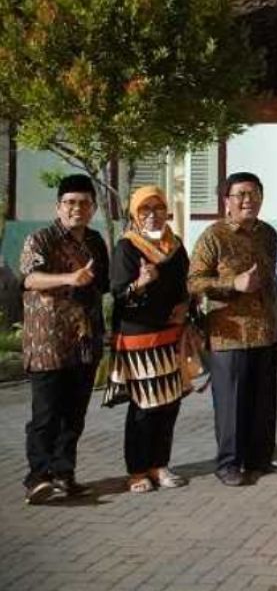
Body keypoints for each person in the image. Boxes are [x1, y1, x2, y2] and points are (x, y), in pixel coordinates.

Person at [188, 172, 277, 487]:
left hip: (266, 332)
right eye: (240, 194)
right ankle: (229, 464)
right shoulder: (213, 236)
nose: (248, 200)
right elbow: (194, 282)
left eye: (254, 193)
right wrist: (234, 284)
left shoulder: (268, 234)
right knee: (232, 405)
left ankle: (259, 459)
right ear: (226, 200)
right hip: (229, 335)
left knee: (263, 403)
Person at [19, 174, 109, 504]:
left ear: (94, 208)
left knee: (74, 415)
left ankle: (64, 474)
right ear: (58, 207)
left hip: (84, 342)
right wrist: (70, 277)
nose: (77, 209)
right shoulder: (40, 239)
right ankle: (37, 478)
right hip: (48, 343)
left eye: (84, 203)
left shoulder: (96, 242)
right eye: (70, 203)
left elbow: (103, 286)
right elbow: (30, 278)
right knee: (46, 415)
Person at [105, 185, 191, 493]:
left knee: (169, 403)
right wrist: (140, 284)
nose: (152, 215)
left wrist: (185, 307)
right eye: (145, 210)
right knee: (144, 407)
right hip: (140, 340)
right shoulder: (127, 247)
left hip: (170, 337)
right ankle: (138, 471)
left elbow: (185, 285)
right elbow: (118, 293)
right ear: (135, 215)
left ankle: (160, 465)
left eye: (158, 208)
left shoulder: (176, 246)